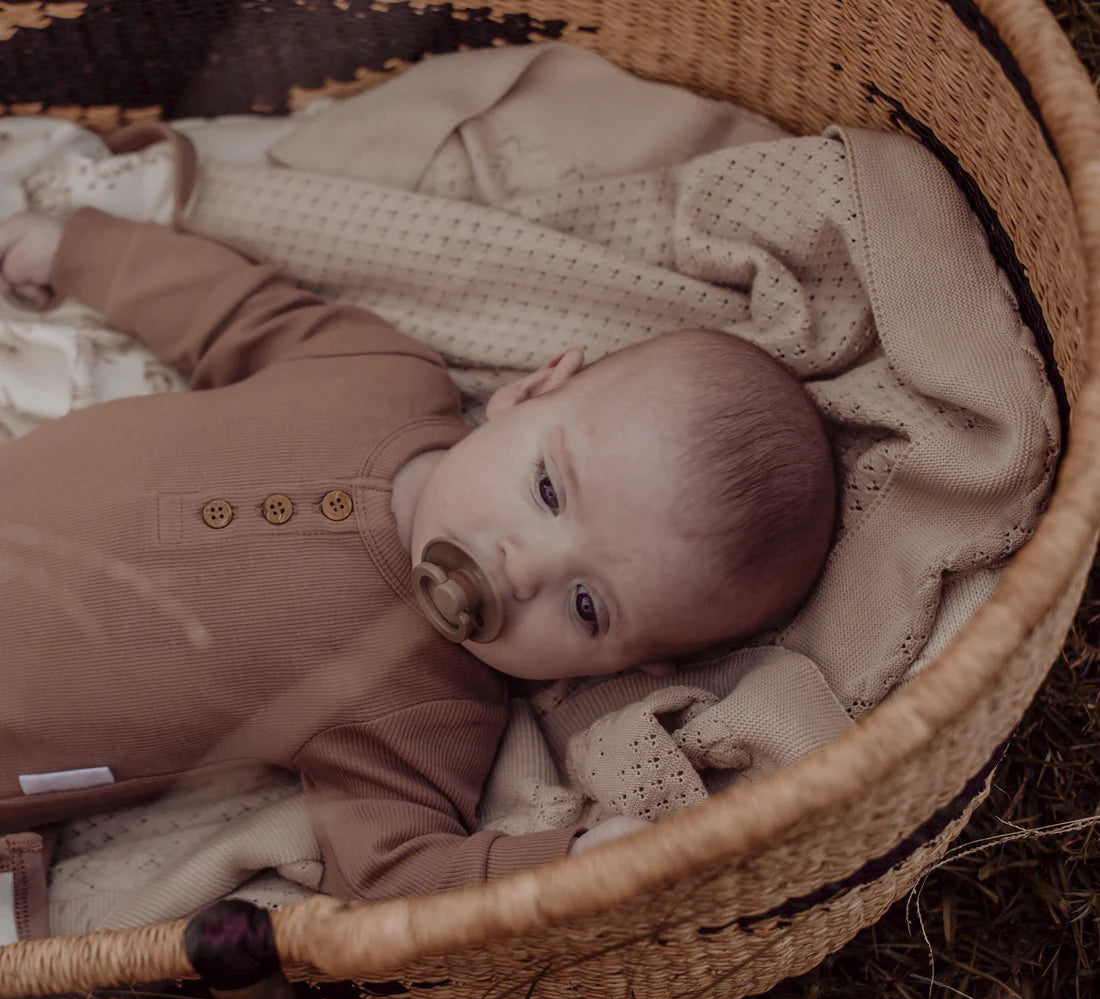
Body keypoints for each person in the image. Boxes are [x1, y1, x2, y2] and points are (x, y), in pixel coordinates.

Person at [0, 206, 835, 900]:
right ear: (530, 392)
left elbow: (391, 872)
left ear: (633, 669)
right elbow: (230, 309)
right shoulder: (380, 376)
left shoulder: (422, 710)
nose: (521, 568)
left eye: (587, 607)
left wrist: (564, 867)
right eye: (547, 490)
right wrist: (82, 252)